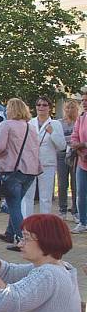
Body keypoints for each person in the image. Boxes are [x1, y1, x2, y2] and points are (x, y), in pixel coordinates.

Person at [0, 98, 41, 249]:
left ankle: (22, 241)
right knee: (16, 203)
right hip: (31, 171)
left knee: (13, 205)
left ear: (11, 109)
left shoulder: (6, 125)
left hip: (13, 170)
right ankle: (9, 233)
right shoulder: (30, 127)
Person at [22, 96, 65, 217]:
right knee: (27, 196)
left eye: (44, 105)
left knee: (45, 197)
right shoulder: (30, 123)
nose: (41, 107)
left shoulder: (55, 124)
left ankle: (44, 225)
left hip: (47, 164)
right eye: (39, 105)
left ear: (50, 108)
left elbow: (62, 146)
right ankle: (27, 224)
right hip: (30, 164)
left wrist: (53, 133)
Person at [56, 99, 80, 221]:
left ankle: (75, 210)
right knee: (62, 183)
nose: (70, 110)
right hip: (61, 154)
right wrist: (72, 139)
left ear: (77, 109)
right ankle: (62, 210)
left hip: (76, 154)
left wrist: (71, 141)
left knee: (75, 184)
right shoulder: (59, 123)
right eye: (68, 108)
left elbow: (80, 137)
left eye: (73, 108)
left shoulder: (80, 122)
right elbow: (58, 138)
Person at [72, 90, 87, 233]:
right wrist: (79, 151)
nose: (84, 103)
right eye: (83, 100)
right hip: (82, 161)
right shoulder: (81, 117)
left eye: (86, 100)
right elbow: (74, 137)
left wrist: (83, 145)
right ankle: (83, 221)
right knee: (81, 193)